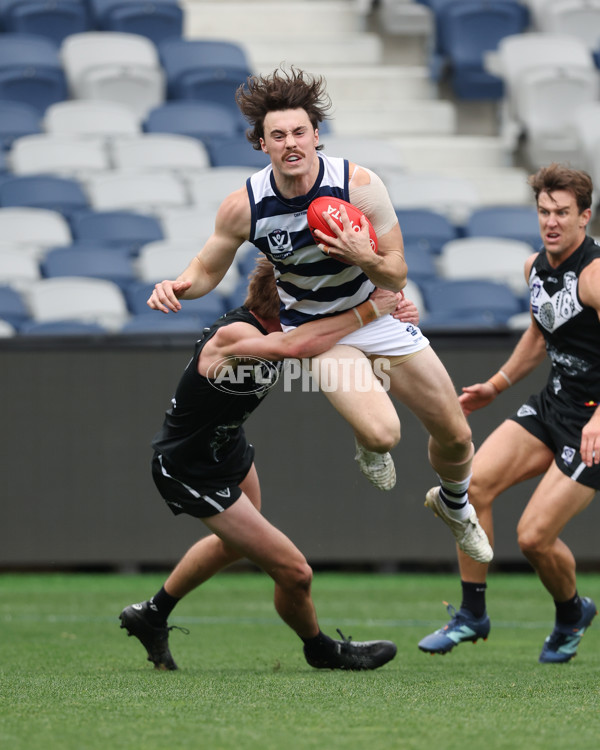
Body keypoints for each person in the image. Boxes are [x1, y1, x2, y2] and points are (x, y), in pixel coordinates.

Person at [147, 67, 492, 565]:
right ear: (261, 144)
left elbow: (396, 275)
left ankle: (454, 504)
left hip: (378, 315)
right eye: (278, 135)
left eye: (300, 132)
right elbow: (205, 267)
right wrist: (179, 284)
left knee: (457, 436)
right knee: (383, 433)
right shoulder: (244, 206)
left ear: (316, 135)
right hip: (320, 332)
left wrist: (363, 254)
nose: (291, 143)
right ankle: (368, 445)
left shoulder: (360, 185)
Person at [120, 258, 409, 671]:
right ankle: (321, 649)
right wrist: (368, 311)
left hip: (226, 446)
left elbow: (327, 341)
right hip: (187, 464)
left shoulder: (282, 327)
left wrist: (390, 318)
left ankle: (151, 614)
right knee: (295, 571)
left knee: (234, 544)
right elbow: (297, 347)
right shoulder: (238, 333)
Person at [418, 163, 599, 663]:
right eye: (544, 211)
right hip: (552, 407)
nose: (552, 221)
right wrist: (495, 385)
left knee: (535, 538)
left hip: (592, 423)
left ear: (585, 217)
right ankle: (472, 614)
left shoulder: (596, 274)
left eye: (563, 212)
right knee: (470, 488)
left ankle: (570, 613)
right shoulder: (534, 267)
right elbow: (541, 333)